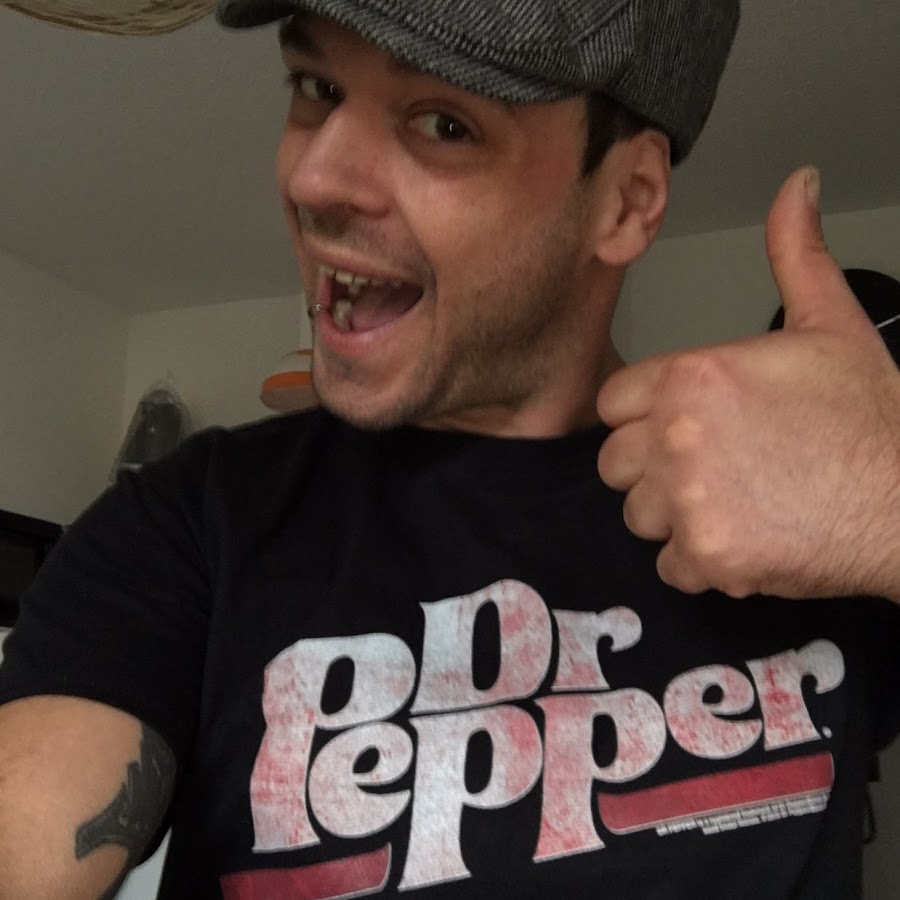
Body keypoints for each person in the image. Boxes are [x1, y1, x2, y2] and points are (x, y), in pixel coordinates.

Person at [1, 1, 898, 897]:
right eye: (317, 87)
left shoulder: (811, 510)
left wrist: (881, 505)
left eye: (443, 124)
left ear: (626, 202)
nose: (314, 178)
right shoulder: (187, 525)